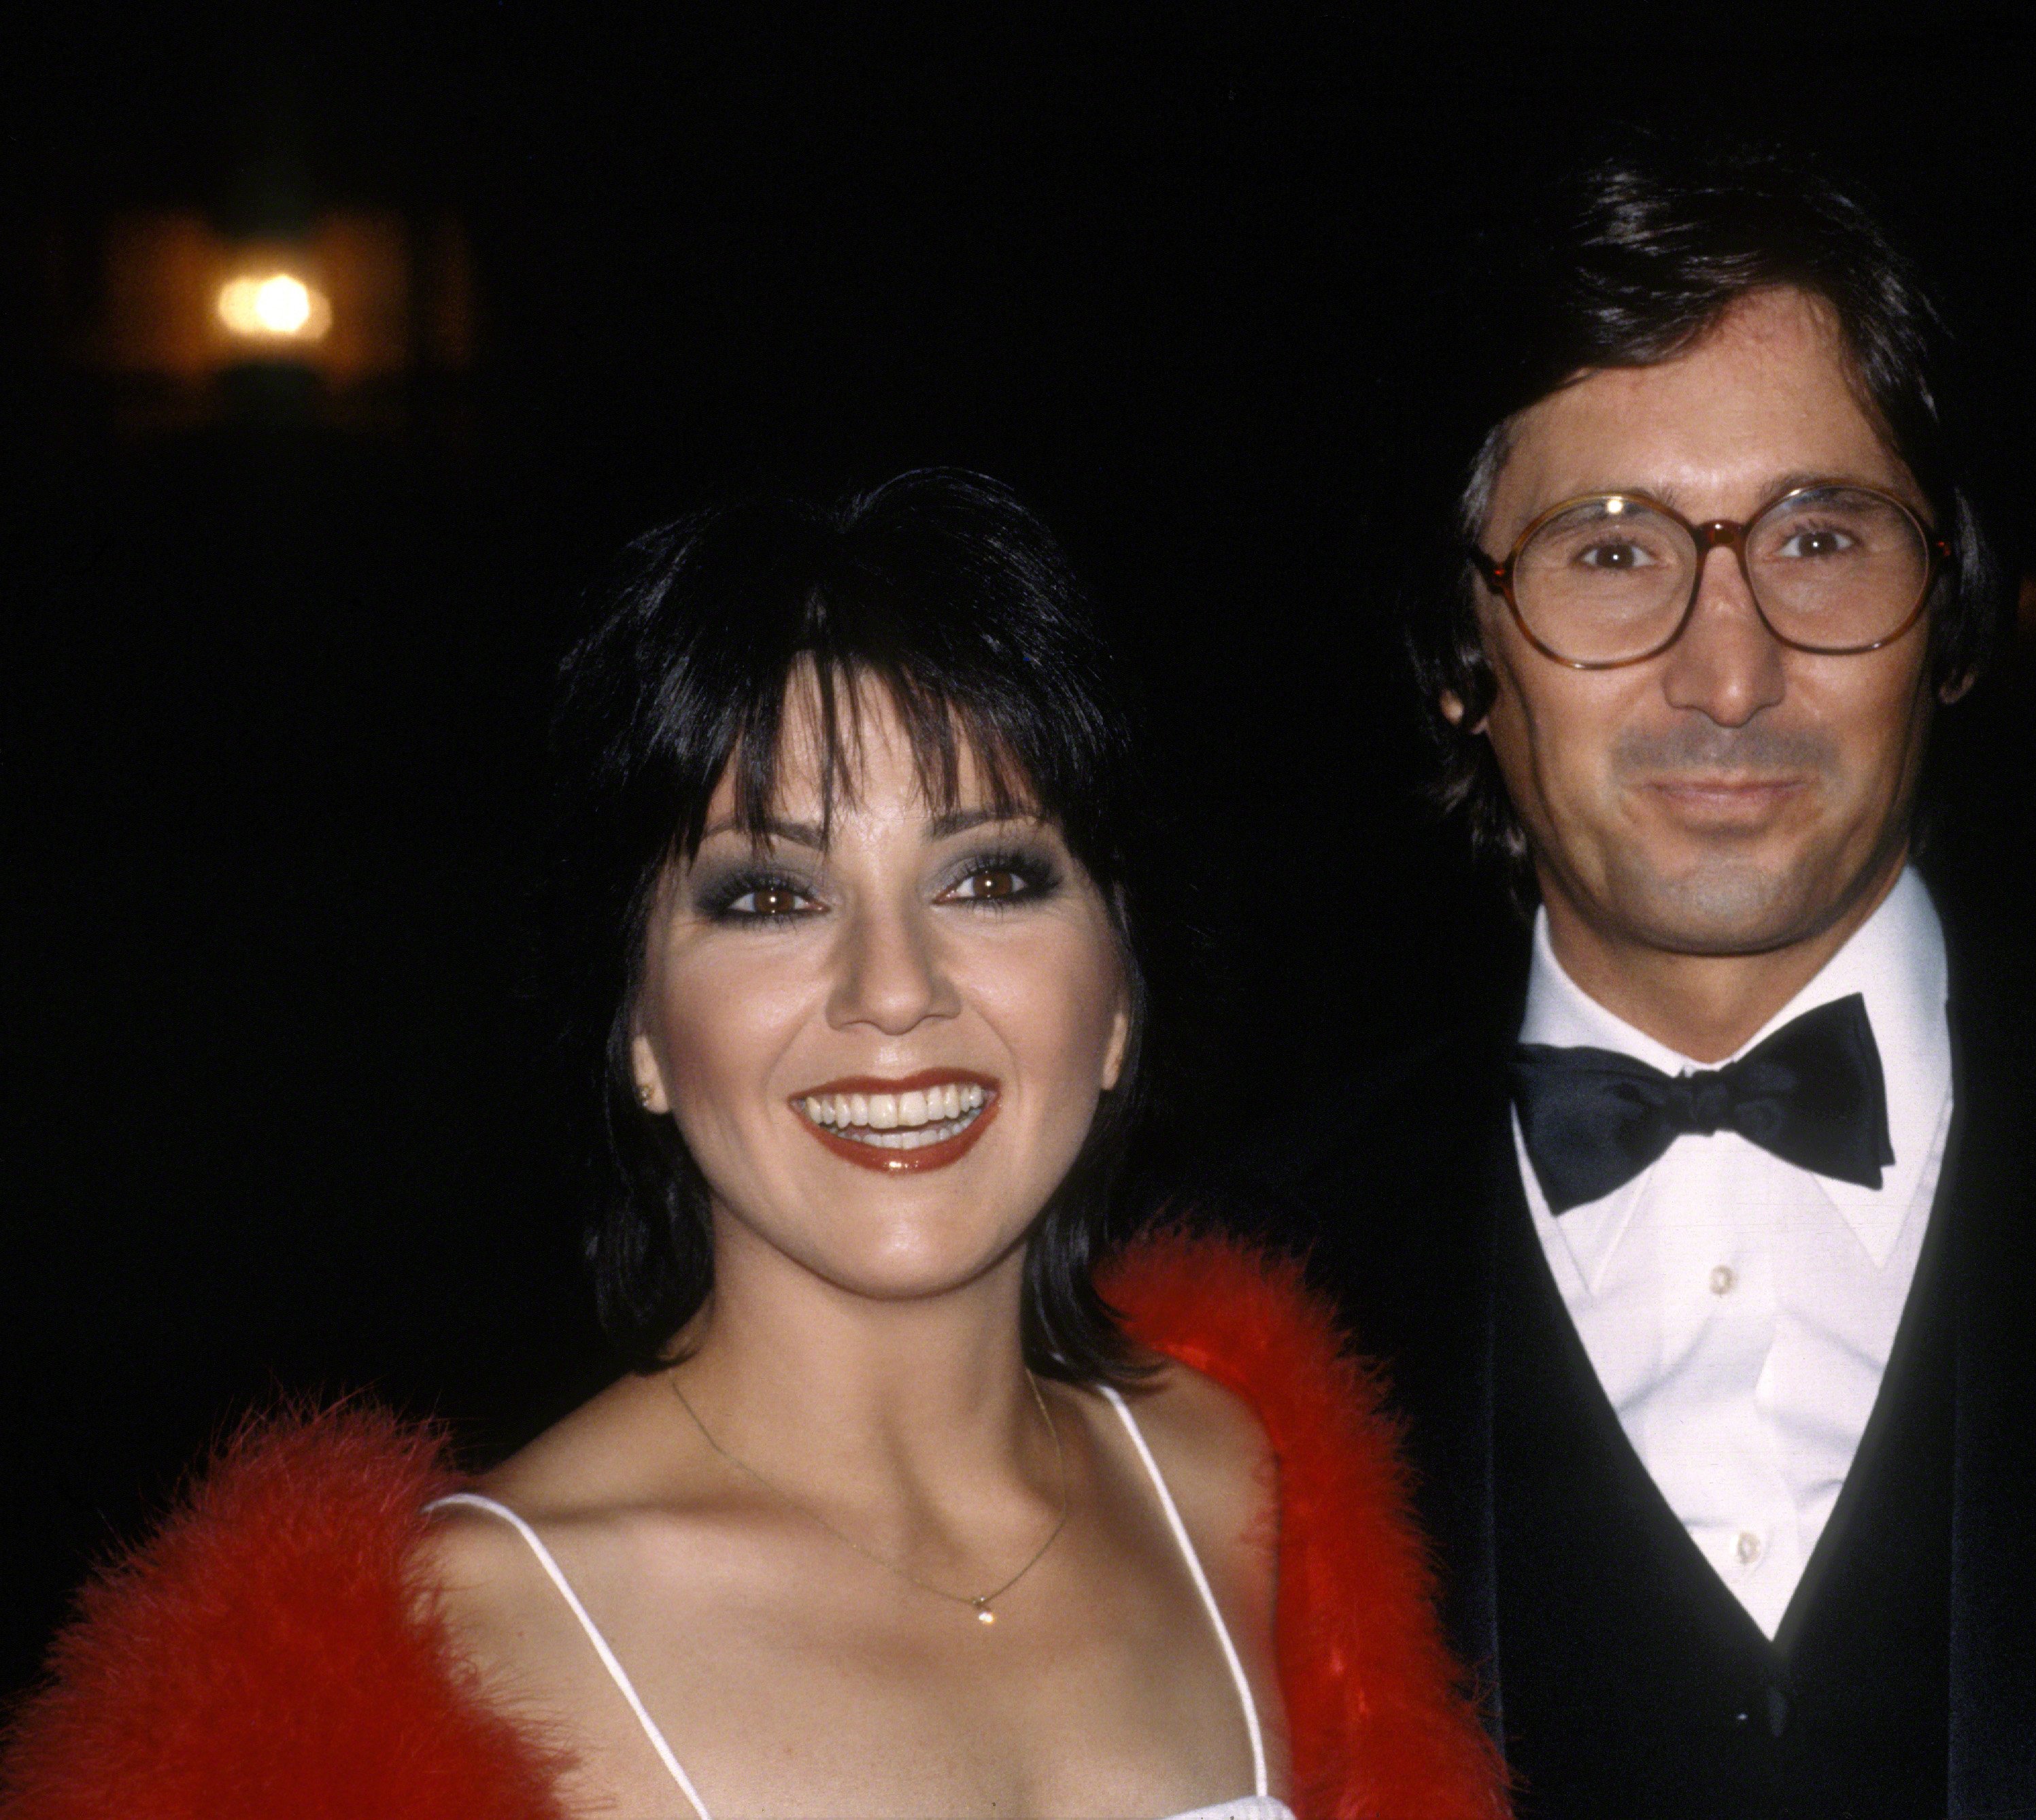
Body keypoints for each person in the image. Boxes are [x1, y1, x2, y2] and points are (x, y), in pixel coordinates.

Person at [0, 471, 1509, 1820]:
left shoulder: (1264, 1496)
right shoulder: (421, 1658)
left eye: (990, 878)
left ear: (1118, 996)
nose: (895, 992)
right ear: (642, 1032)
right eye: (771, 899)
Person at [1223, 144, 2036, 1816]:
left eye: (1818, 540)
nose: (1727, 672)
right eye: (1610, 552)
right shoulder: (1209, 1313)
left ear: (1950, 607)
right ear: (1462, 650)